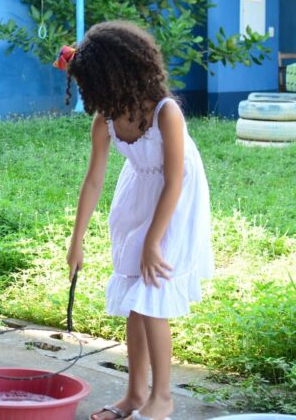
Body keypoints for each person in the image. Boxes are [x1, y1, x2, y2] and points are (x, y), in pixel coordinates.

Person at [60, 21, 214, 420]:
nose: (91, 96)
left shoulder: (167, 113)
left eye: (94, 85)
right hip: (138, 195)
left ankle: (161, 397)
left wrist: (153, 241)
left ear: (119, 76)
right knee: (133, 298)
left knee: (151, 299)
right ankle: (134, 395)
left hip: (174, 200)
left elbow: (175, 181)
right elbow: (93, 181)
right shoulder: (106, 120)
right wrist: (76, 240)